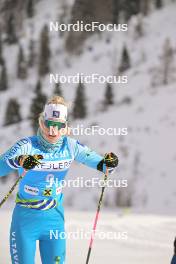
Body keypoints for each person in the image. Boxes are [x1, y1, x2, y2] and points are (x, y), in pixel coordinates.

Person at [0, 96, 118, 264]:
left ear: (65, 127)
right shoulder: (27, 145)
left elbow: (104, 166)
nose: (53, 131)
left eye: (59, 125)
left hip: (54, 219)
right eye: (49, 124)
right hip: (26, 220)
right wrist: (18, 161)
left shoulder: (70, 146)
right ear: (42, 123)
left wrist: (110, 163)